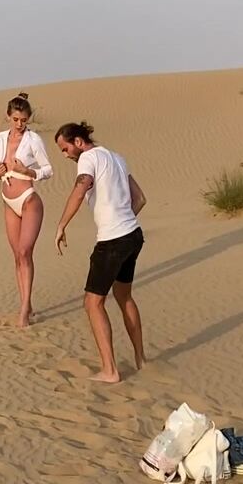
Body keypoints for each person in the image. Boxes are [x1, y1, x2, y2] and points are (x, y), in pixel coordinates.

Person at [53, 121, 146, 383]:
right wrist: (123, 220)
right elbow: (140, 198)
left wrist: (61, 225)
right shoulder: (117, 158)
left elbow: (80, 188)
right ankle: (141, 359)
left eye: (65, 149)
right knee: (124, 296)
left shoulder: (88, 158)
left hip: (113, 241)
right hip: (133, 235)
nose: (65, 155)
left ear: (78, 142)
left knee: (92, 303)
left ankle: (110, 370)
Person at [0, 92, 53, 327]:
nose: (19, 124)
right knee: (17, 255)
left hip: (28, 200)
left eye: (24, 120)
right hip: (8, 202)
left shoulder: (34, 140)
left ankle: (25, 309)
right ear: (8, 116)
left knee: (26, 252)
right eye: (16, 119)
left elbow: (48, 170)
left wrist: (28, 171)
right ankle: (26, 303)